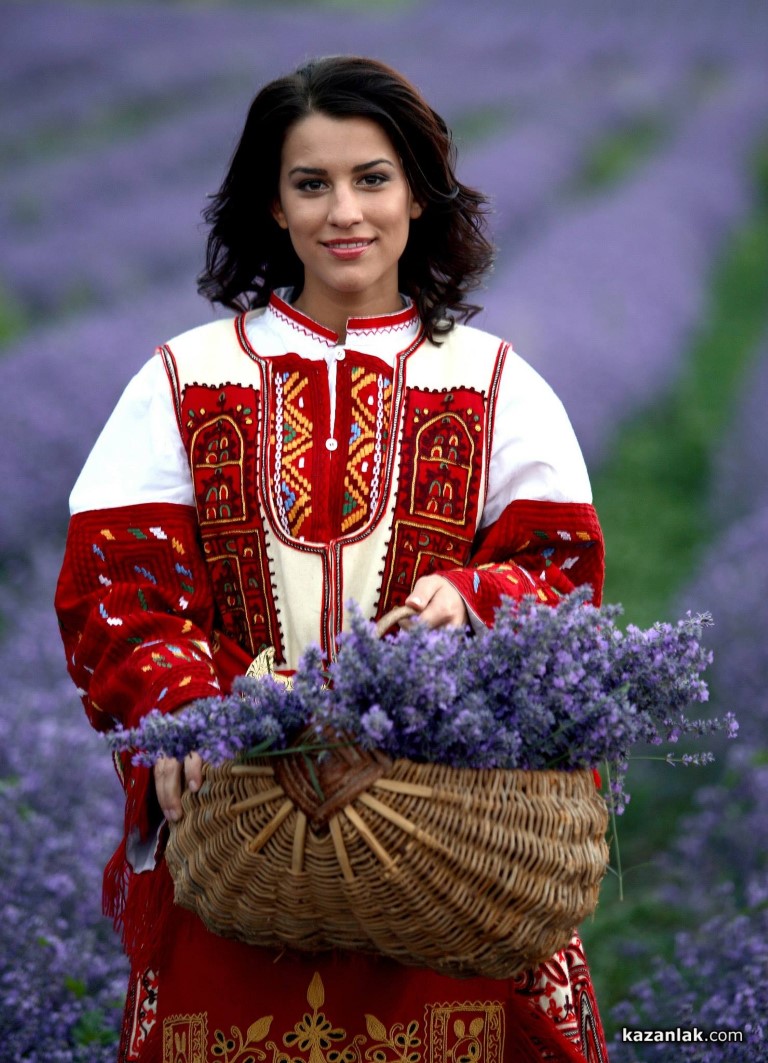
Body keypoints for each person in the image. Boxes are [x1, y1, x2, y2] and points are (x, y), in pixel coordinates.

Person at [55, 56, 608, 1063]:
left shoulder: (499, 385)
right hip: (242, 826)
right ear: (274, 206)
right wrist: (186, 708)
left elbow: (565, 580)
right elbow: (116, 594)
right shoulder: (182, 378)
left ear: (418, 196)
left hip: (450, 849)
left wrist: (476, 595)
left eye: (372, 179)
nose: (344, 212)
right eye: (311, 183)